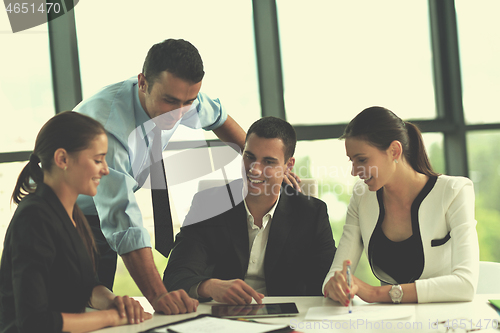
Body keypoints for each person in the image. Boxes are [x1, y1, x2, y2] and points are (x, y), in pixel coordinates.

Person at [0, 111, 152, 333]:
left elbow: (86, 287)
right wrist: (109, 318)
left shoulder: (73, 214)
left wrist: (114, 303)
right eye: (98, 160)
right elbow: (34, 322)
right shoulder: (33, 218)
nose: (106, 169)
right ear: (62, 159)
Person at [163, 116, 336, 304]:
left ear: (288, 165)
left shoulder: (312, 214)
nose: (254, 170)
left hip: (286, 317)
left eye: (268, 162)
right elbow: (176, 275)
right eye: (249, 157)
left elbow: (326, 281)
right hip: (222, 317)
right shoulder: (209, 205)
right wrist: (209, 286)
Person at [323, 106, 479, 305]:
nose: (354, 172)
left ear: (394, 151)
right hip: (389, 322)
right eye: (351, 161)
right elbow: (335, 274)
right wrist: (336, 285)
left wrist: (374, 293)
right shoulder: (361, 196)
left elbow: (465, 284)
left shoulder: (454, 191)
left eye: (362, 160)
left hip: (444, 321)